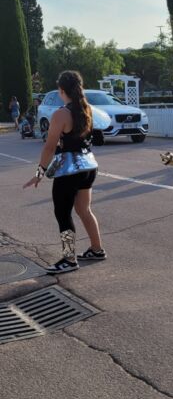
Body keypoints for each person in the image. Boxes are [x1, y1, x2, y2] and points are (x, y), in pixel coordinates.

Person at [23, 70, 106, 274]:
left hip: (68, 171)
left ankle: (69, 259)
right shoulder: (87, 109)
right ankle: (97, 249)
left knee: (63, 214)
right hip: (88, 167)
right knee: (84, 210)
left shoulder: (61, 114)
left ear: (61, 90)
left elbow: (49, 147)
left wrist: (39, 173)